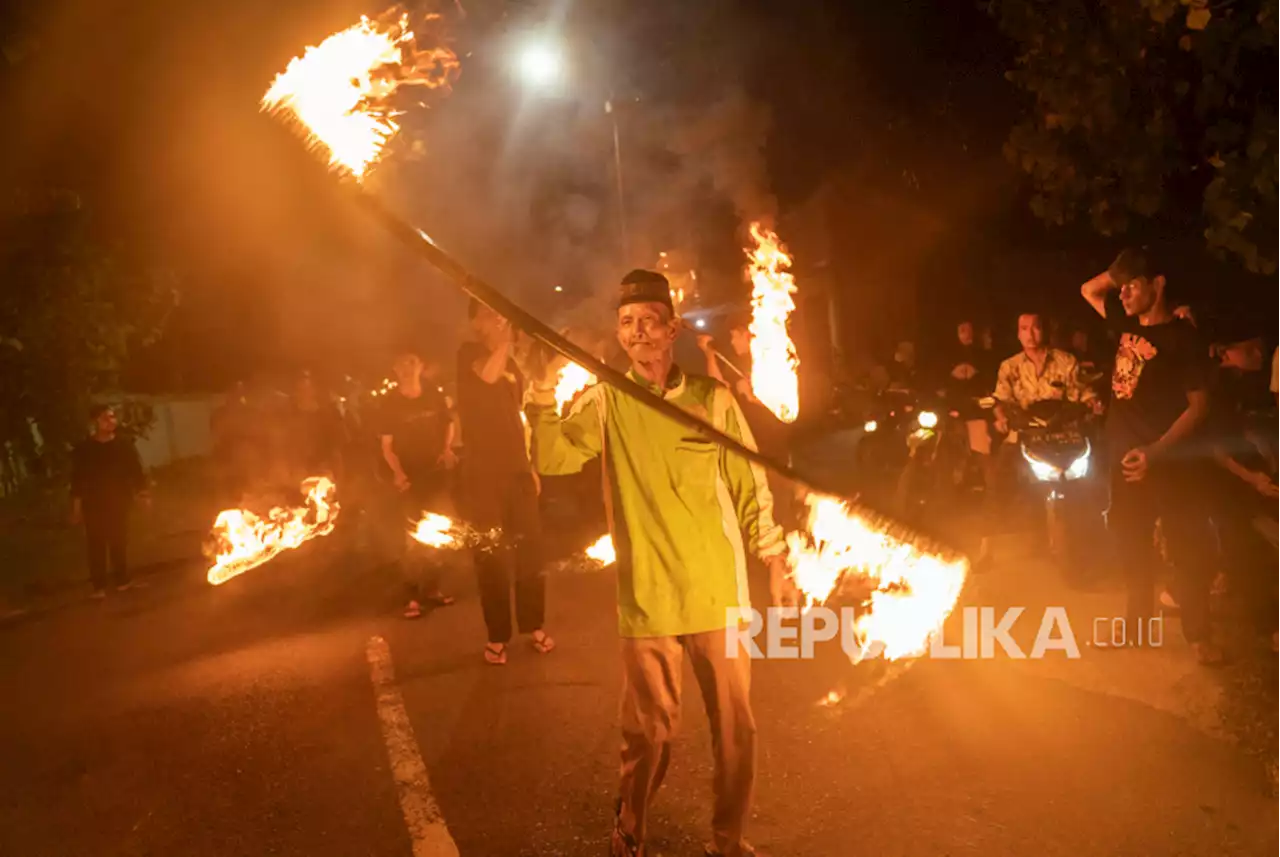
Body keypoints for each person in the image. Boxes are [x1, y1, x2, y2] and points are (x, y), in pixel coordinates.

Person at [528, 269, 795, 857]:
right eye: (627, 322)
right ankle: (630, 833)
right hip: (647, 594)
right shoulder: (605, 399)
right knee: (647, 734)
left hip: (717, 591)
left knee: (735, 731)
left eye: (650, 319)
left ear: (672, 327)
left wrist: (774, 557)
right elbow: (553, 456)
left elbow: (749, 483)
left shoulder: (712, 399)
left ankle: (728, 839)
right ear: (619, 335)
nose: (639, 331)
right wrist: (542, 393)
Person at [1081, 247, 1221, 663]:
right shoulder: (1123, 326)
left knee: (1185, 548)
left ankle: (1199, 637)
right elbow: (1089, 289)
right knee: (1132, 546)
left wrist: (1156, 452)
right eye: (1121, 288)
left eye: (1132, 287)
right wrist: (1123, 272)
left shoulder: (1183, 337)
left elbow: (1199, 406)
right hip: (1123, 461)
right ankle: (1138, 626)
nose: (1122, 295)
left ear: (1158, 285)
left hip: (1167, 461)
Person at [457, 300, 552, 664]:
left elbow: (519, 418)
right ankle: (497, 636)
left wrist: (530, 465)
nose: (496, 318)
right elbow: (486, 376)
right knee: (491, 556)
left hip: (517, 471)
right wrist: (507, 340)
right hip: (483, 474)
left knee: (531, 550)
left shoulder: (512, 364)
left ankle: (535, 624)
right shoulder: (469, 355)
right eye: (487, 313)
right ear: (475, 323)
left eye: (497, 313)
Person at [1206, 322, 1280, 653]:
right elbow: (1214, 449)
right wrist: (1253, 479)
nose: (1259, 356)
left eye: (1260, 350)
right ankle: (1269, 626)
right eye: (1249, 350)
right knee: (1248, 554)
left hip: (1253, 478)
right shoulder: (1215, 388)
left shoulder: (1247, 383)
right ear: (1226, 352)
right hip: (1226, 483)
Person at [376, 351, 457, 619]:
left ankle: (432, 589)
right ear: (395, 369)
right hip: (409, 478)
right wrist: (398, 473)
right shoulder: (390, 403)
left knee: (438, 531)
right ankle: (411, 597)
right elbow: (387, 447)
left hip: (435, 474)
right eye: (402, 363)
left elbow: (449, 423)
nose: (408, 368)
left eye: (412, 362)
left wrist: (446, 449)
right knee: (412, 537)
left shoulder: (433, 393)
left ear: (421, 366)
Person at [70, 405, 150, 599]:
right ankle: (98, 587)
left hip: (119, 502)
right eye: (106, 417)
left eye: (113, 417)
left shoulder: (123, 445)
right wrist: (76, 507)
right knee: (96, 544)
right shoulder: (85, 449)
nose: (111, 421)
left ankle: (122, 580)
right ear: (95, 422)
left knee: (119, 542)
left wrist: (143, 494)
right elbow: (78, 480)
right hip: (94, 504)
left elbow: (135, 471)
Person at [992, 312, 1098, 435]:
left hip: (1063, 433)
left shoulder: (1066, 361)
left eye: (1036, 328)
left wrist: (1093, 403)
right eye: (1024, 329)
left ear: (1044, 330)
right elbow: (1001, 400)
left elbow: (1083, 392)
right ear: (1018, 334)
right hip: (1023, 433)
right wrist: (1001, 418)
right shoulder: (1009, 366)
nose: (1030, 334)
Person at [287, 370, 346, 484]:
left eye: (306, 389)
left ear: (313, 391)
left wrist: (338, 475)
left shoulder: (326, 415)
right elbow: (285, 445)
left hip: (323, 473)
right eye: (300, 390)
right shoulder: (289, 416)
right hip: (297, 474)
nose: (303, 393)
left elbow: (336, 449)